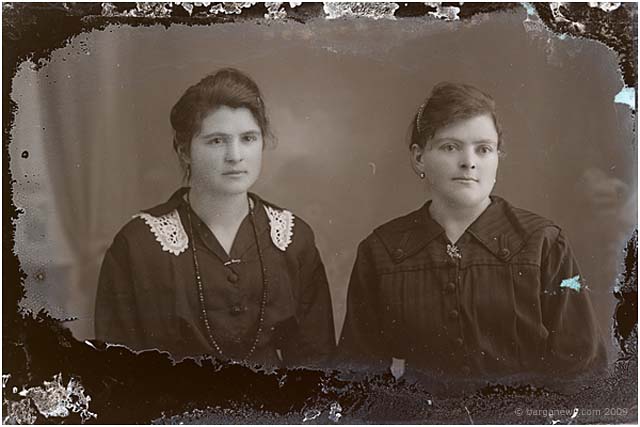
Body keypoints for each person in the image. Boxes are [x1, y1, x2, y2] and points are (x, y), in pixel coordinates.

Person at [337, 82, 606, 388]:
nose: (469, 162)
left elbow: (582, 369)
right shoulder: (381, 251)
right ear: (419, 158)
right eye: (450, 147)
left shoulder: (543, 243)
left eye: (484, 149)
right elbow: (358, 375)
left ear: (497, 158)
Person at [95, 68, 335, 368]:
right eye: (217, 141)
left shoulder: (293, 238)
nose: (235, 155)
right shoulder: (138, 245)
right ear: (184, 151)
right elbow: (116, 369)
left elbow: (316, 363)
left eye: (248, 138)